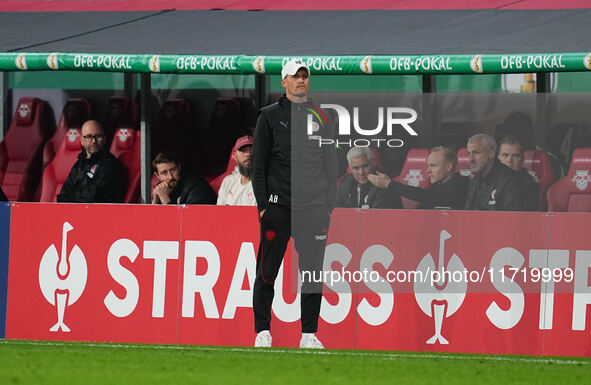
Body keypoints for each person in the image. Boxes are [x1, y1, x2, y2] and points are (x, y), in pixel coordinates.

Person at [251, 59, 337, 349]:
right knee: (267, 271)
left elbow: (331, 164)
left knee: (312, 274)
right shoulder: (268, 117)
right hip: (278, 208)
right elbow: (258, 166)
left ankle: (309, 336)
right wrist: (263, 207)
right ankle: (262, 332)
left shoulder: (323, 117)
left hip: (313, 210)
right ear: (283, 81)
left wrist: (328, 207)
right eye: (295, 76)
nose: (301, 80)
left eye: (305, 75)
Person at [368, 146, 469, 210]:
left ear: (448, 167)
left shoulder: (460, 185)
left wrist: (389, 184)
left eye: (433, 166)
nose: (428, 171)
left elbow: (425, 196)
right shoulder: (437, 186)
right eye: (428, 165)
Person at [57, 120, 127, 203]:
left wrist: (71, 197)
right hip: (77, 213)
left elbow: (92, 196)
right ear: (82, 141)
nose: (94, 141)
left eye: (98, 136)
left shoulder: (111, 165)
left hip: (102, 214)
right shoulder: (79, 165)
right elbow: (62, 196)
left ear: (104, 139)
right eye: (89, 137)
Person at [464, 133, 525, 211]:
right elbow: (467, 214)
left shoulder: (510, 181)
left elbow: (510, 219)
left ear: (491, 154)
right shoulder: (475, 180)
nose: (471, 159)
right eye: (469, 153)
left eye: (476, 153)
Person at [336, 147, 401, 209]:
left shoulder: (386, 186)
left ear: (373, 163)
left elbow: (380, 217)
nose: (361, 173)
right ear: (350, 168)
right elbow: (336, 213)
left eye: (365, 166)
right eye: (356, 168)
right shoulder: (344, 185)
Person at [151, 151, 216, 205]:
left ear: (179, 168)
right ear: (157, 176)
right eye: (164, 173)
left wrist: (165, 199)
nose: (170, 177)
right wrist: (155, 201)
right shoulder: (163, 188)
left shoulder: (197, 186)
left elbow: (188, 219)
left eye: (173, 170)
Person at [498, 135, 540, 211]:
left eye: (515, 156)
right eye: (505, 155)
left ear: (522, 160)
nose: (509, 160)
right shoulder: (487, 180)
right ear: (497, 158)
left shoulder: (528, 185)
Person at [216, 135, 256, 206]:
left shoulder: (267, 183)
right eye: (243, 150)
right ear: (235, 155)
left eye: (252, 149)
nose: (248, 154)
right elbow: (219, 213)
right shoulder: (228, 182)